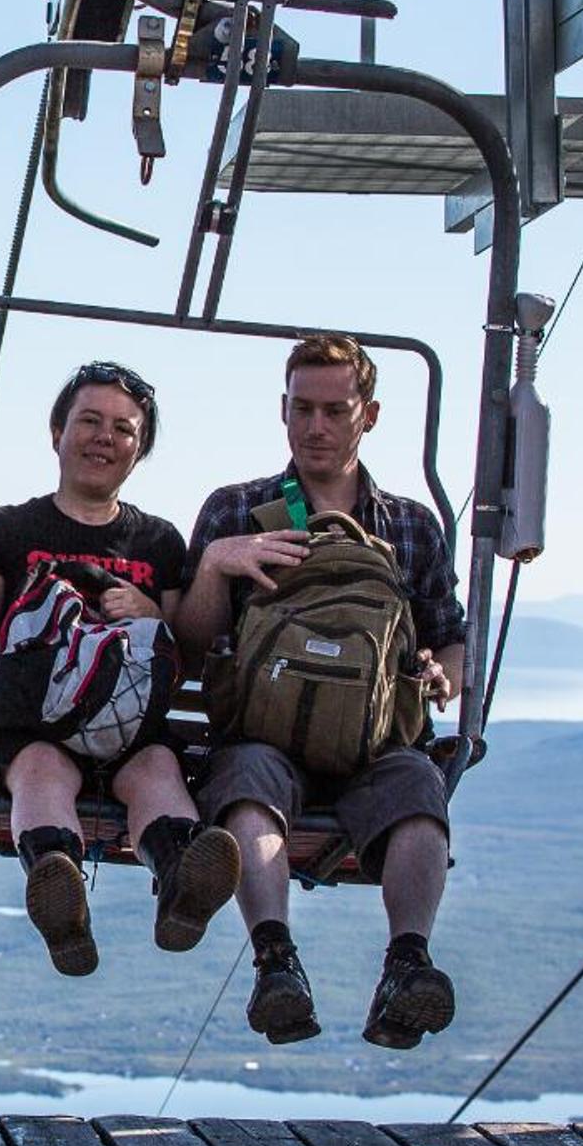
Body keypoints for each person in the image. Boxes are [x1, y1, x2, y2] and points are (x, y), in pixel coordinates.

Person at [172, 334, 466, 1050]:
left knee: (418, 787)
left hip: (376, 743)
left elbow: (449, 638)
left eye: (335, 411)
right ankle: (275, 961)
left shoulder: (411, 528)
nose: (316, 427)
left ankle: (408, 963)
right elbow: (187, 647)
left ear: (370, 416)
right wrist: (215, 566)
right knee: (248, 784)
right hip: (263, 738)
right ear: (283, 409)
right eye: (302, 409)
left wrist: (442, 675)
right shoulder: (238, 510)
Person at [0, 361, 242, 977]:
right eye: (90, 422)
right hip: (34, 726)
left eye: (123, 429)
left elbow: (185, 653)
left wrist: (152, 612)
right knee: (41, 770)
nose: (105, 438)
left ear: (139, 450)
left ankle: (182, 880)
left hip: (131, 727)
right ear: (58, 433)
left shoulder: (158, 543)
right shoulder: (8, 530)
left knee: (157, 772)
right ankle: (58, 884)